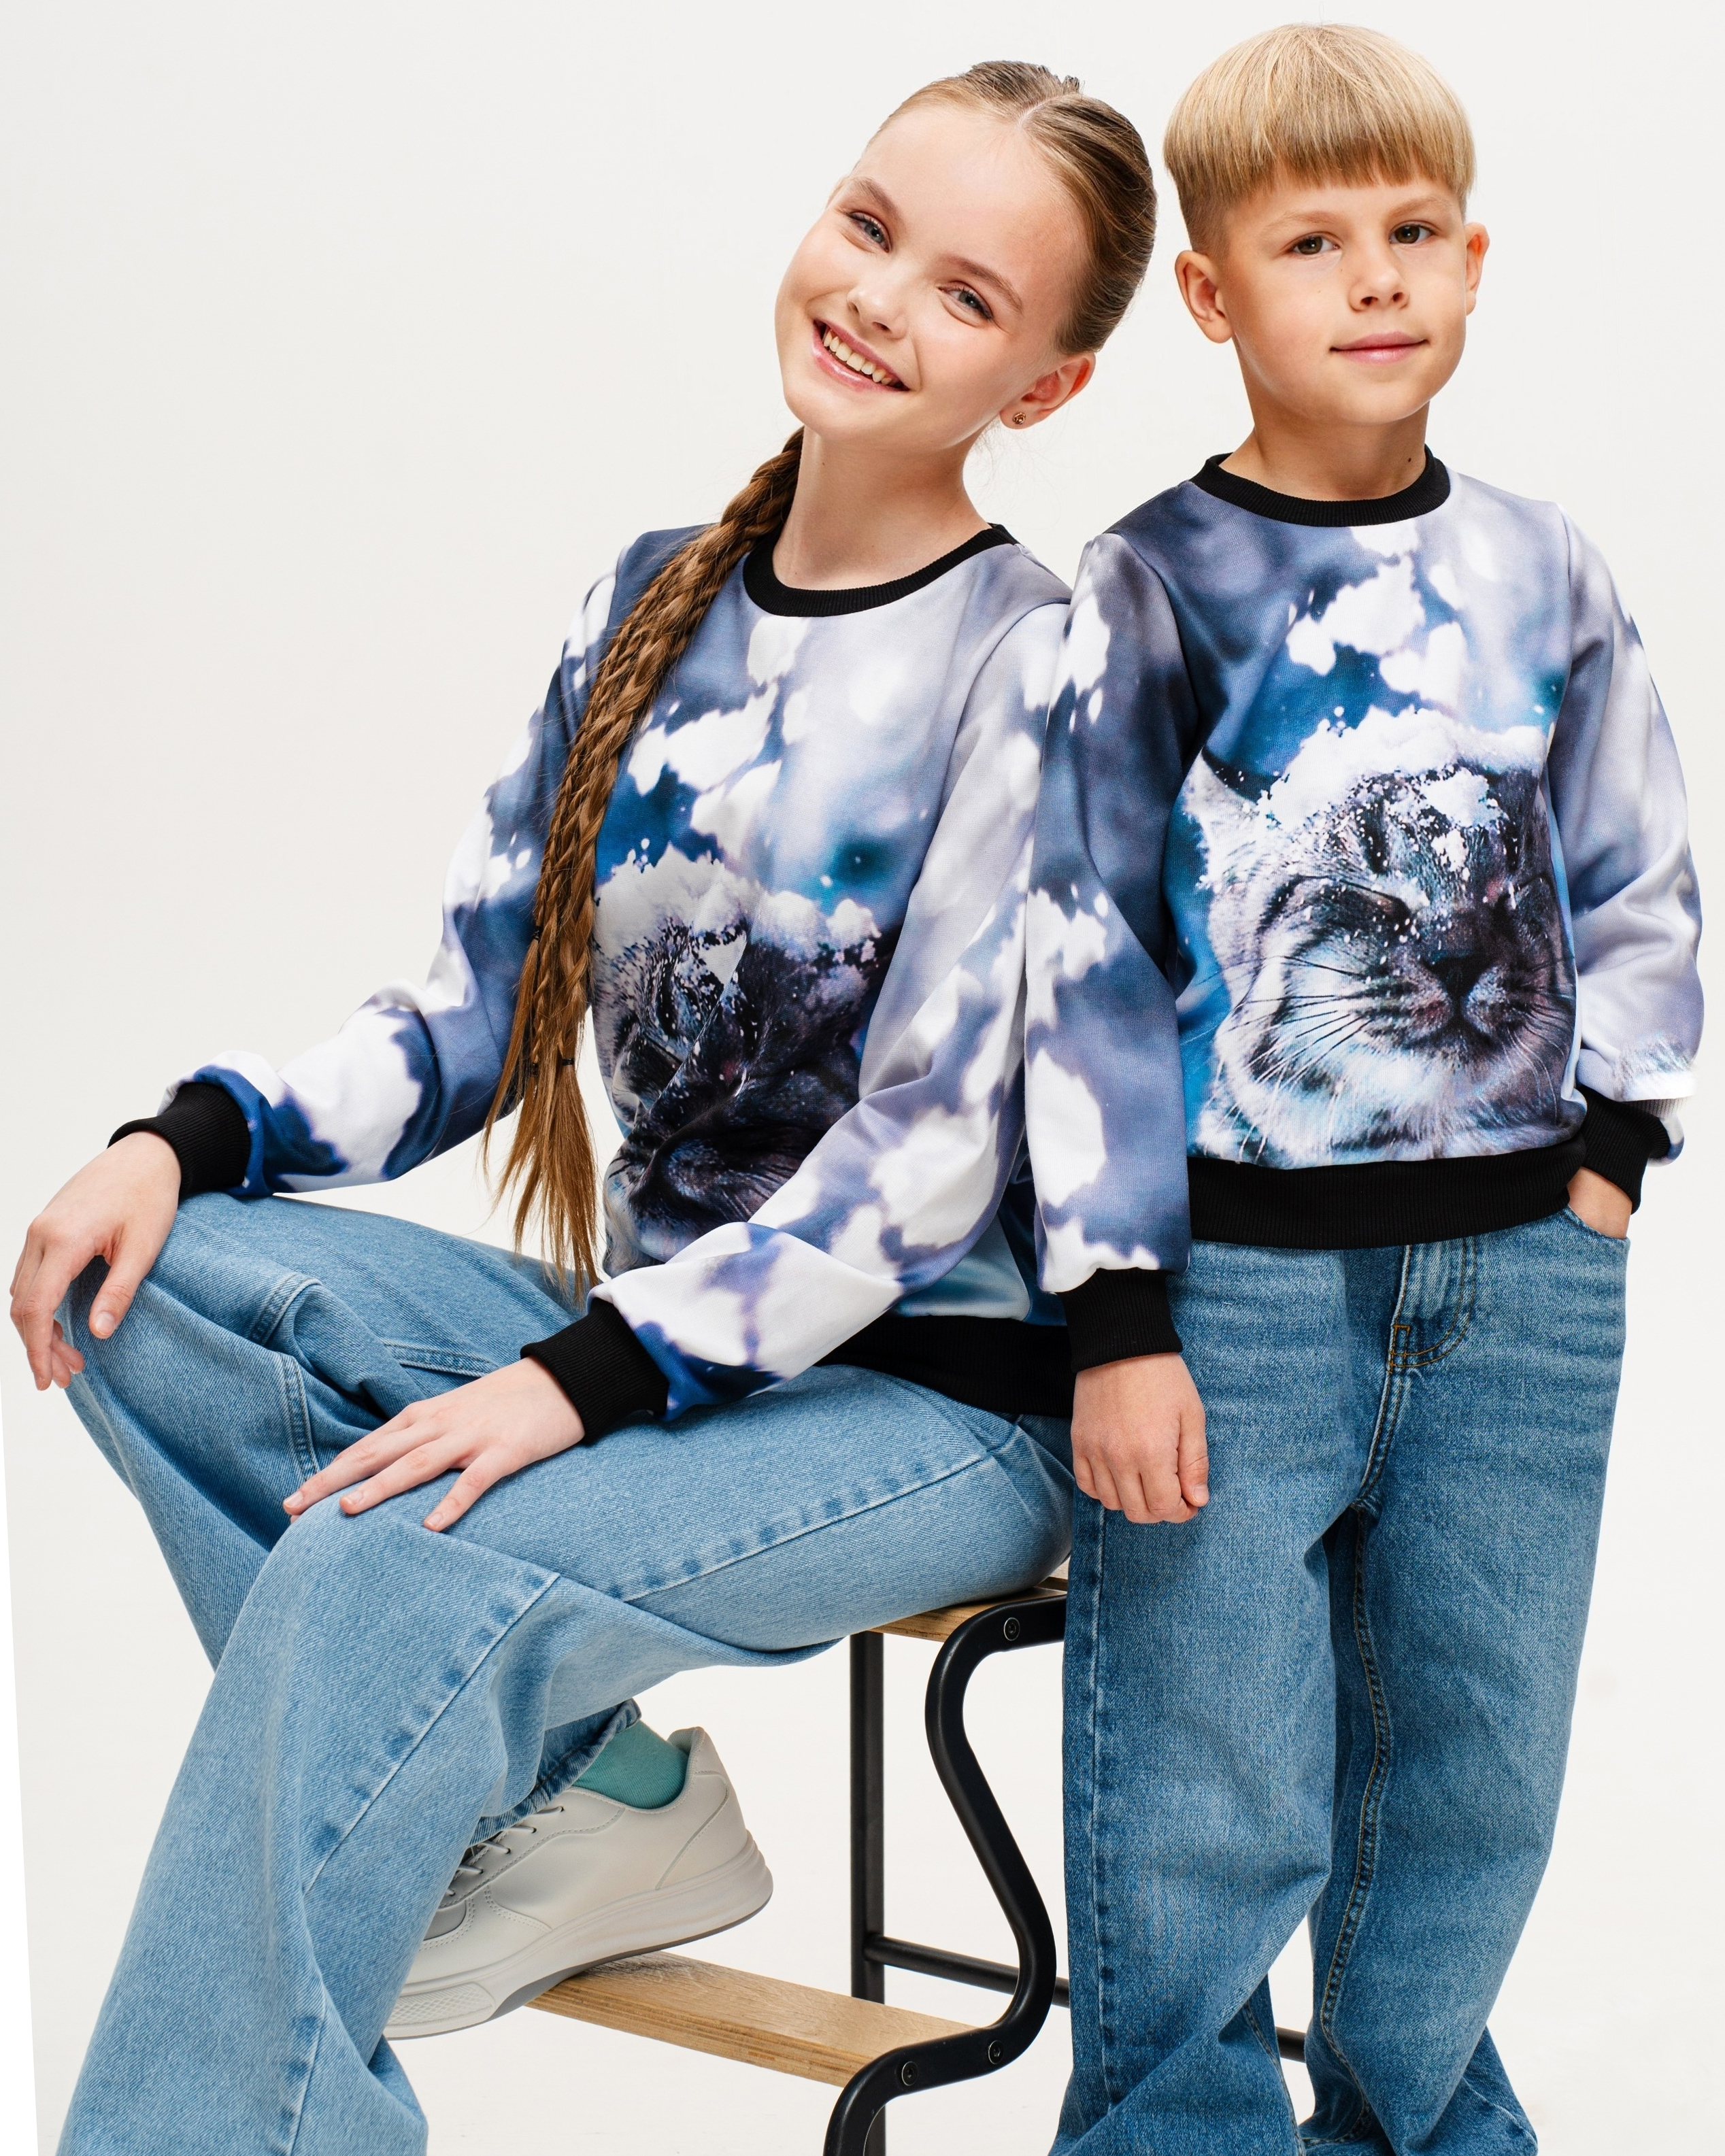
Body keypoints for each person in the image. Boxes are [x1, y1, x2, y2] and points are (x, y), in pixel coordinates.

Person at [11, 62, 1157, 2155]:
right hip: (662, 1350)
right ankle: (579, 1797)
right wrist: (180, 1137)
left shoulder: (1038, 661)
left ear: (1049, 386)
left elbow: (928, 1158)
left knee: (381, 1561)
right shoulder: (650, 594)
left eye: (970, 294)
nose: (882, 297)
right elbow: (472, 1010)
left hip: (939, 1396)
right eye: (871, 225)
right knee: (140, 1283)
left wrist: (578, 1385)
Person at [1026, 25, 1702, 2156]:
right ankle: (1182, 2136)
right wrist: (1117, 1308)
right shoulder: (1152, 579)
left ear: (1475, 263)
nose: (1376, 276)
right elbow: (1085, 951)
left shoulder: (1546, 563)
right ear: (1211, 294)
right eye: (1312, 241)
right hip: (1231, 1284)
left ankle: (1410, 2126)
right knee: (1208, 1765)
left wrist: (1611, 1157)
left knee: (1477, 1759)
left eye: (1413, 230)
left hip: (1525, 1270)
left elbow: (1637, 869)